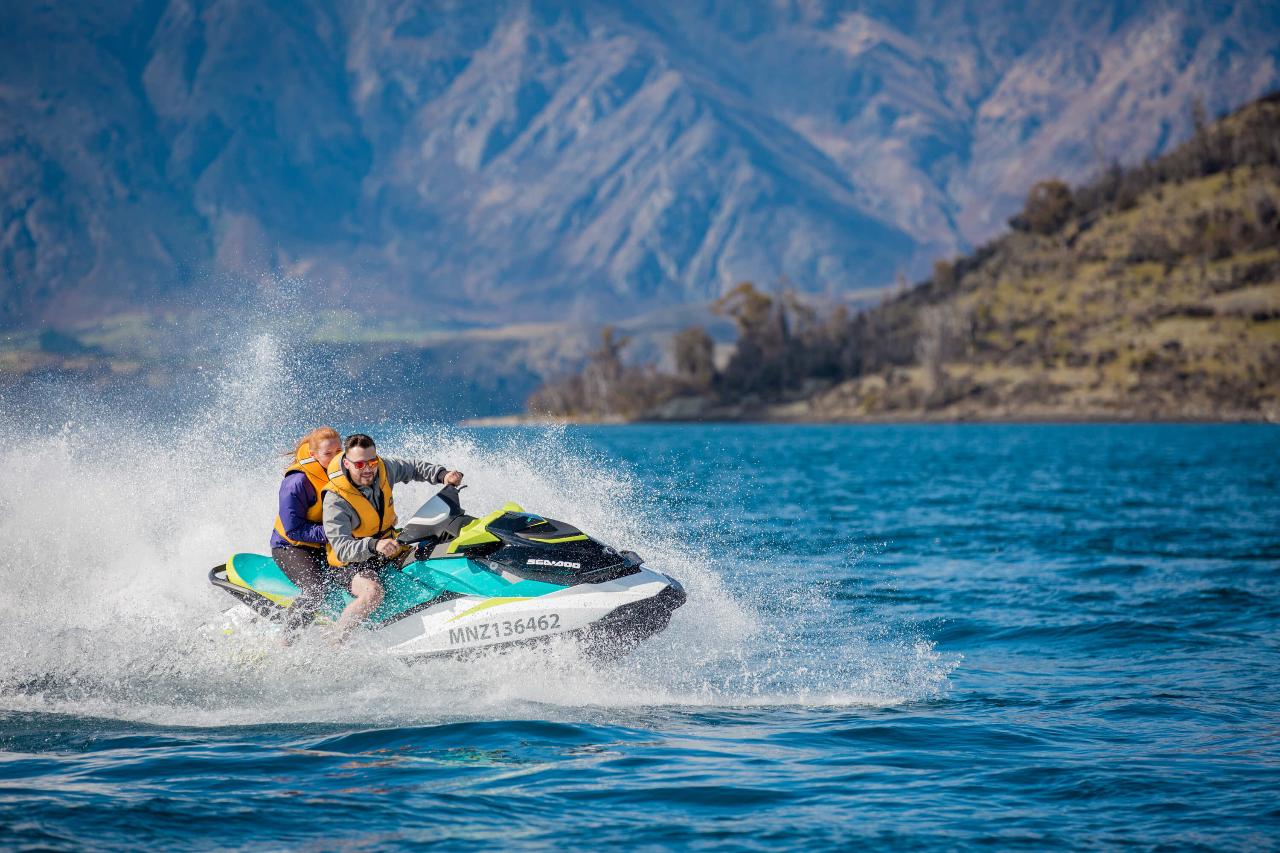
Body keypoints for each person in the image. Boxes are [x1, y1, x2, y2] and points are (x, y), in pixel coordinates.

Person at [322, 433, 464, 641]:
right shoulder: (335, 499)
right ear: (347, 463)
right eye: (360, 464)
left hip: (388, 545)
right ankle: (336, 642)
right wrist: (374, 545)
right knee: (372, 593)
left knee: (437, 551)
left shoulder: (383, 468)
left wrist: (442, 475)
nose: (368, 469)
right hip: (351, 562)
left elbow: (413, 468)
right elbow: (342, 548)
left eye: (371, 461)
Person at [270, 426, 342, 639]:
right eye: (328, 454)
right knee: (315, 591)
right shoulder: (297, 482)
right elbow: (293, 529)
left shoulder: (346, 471)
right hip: (291, 547)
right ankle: (287, 641)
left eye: (339, 451)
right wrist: (332, 533)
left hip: (325, 544)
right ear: (314, 454)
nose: (334, 457)